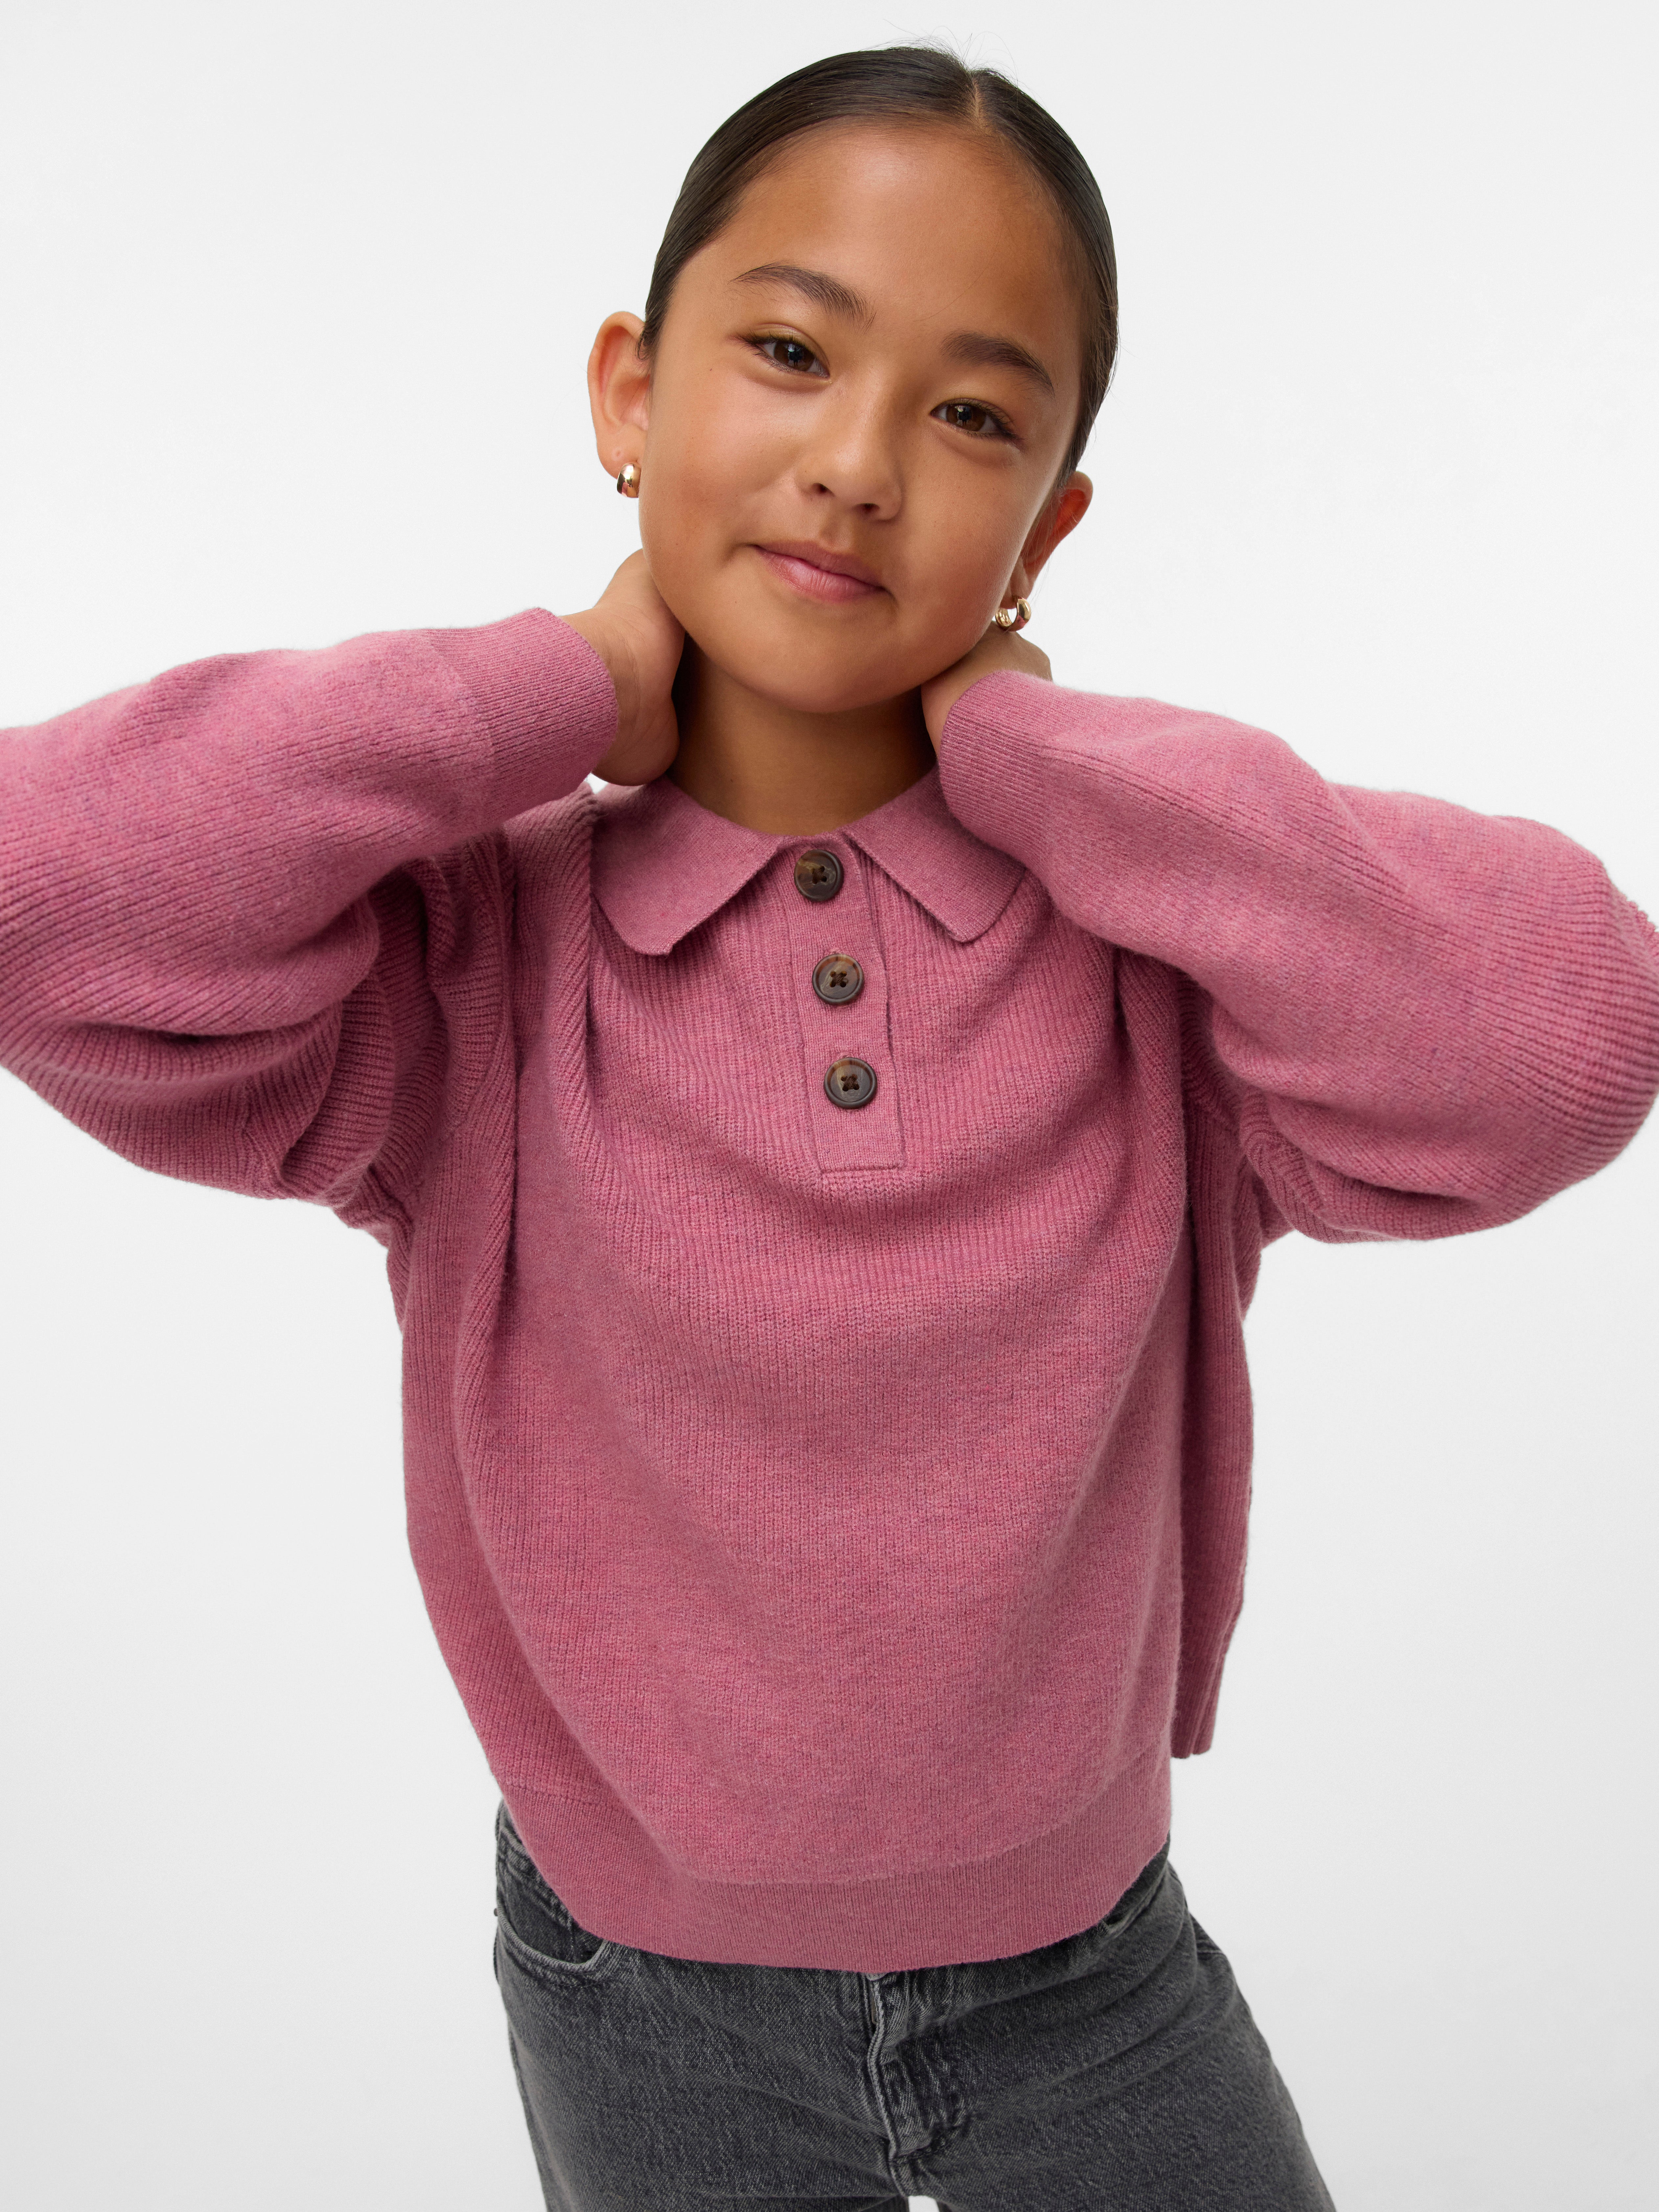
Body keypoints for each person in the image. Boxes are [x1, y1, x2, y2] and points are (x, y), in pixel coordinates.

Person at [3, 41, 1656, 2212]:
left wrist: (1051, 763)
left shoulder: (1161, 975)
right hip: (635, 1994)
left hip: (1094, 1979)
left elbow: (1570, 1041)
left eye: (973, 417)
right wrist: (551, 687)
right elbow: (44, 894)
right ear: (631, 392)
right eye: (789, 352)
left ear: (1050, 522)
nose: (858, 466)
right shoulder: (465, 979)